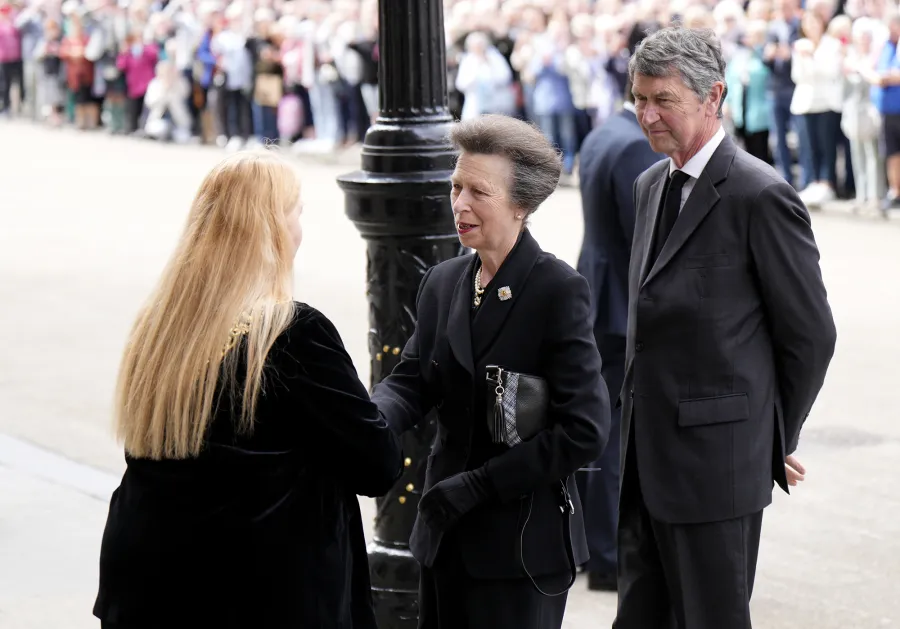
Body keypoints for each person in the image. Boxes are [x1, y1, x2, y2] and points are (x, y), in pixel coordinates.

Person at [93, 151, 402, 629]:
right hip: (260, 591)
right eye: (296, 210)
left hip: (150, 583)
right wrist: (395, 397)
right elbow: (376, 464)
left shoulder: (158, 327)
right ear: (272, 229)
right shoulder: (292, 334)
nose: (301, 225)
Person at [616, 27, 837, 629]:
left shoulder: (760, 194)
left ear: (713, 97)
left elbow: (810, 336)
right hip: (645, 461)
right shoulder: (649, 185)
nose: (648, 114)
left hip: (716, 469)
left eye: (664, 99)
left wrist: (772, 434)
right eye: (639, 99)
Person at [372, 114, 611, 629]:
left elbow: (585, 430)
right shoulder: (443, 280)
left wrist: (480, 486)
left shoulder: (556, 289)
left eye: (478, 192)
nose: (459, 203)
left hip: (518, 548)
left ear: (521, 205)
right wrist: (365, 420)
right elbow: (411, 380)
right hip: (443, 535)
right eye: (456, 186)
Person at [576, 80, 662, 593]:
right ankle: (607, 553)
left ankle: (593, 546)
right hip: (616, 304)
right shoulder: (632, 144)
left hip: (598, 289)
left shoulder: (606, 131)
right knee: (612, 434)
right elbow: (643, 233)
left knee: (599, 427)